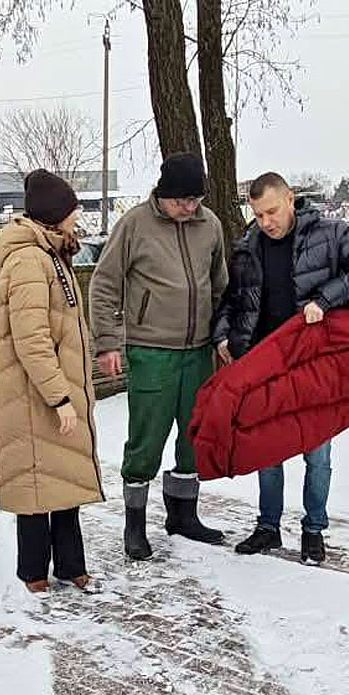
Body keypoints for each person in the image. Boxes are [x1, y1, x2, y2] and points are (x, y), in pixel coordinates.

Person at [212, 172, 349, 564]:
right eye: (258, 215)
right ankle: (268, 527)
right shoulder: (248, 247)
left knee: (317, 452)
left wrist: (325, 300)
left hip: (314, 364)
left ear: (290, 199)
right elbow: (233, 300)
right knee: (266, 449)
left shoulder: (330, 235)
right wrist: (222, 337)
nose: (266, 222)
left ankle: (313, 530)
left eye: (272, 211)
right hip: (266, 363)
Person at [90, 153, 229, 561]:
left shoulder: (210, 224)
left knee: (195, 436)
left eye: (196, 200)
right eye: (181, 200)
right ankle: (134, 525)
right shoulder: (134, 224)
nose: (189, 207)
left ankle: (183, 515)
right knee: (146, 439)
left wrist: (224, 336)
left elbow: (221, 286)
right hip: (152, 351)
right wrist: (108, 343)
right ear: (163, 194)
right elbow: (104, 284)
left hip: (199, 350)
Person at [0, 170, 105, 593]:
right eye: (73, 209)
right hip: (33, 395)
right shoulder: (28, 261)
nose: (78, 216)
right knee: (37, 482)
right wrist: (59, 396)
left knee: (64, 476)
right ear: (55, 214)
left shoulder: (53, 254)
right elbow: (32, 339)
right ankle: (34, 573)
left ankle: (71, 566)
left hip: (55, 389)